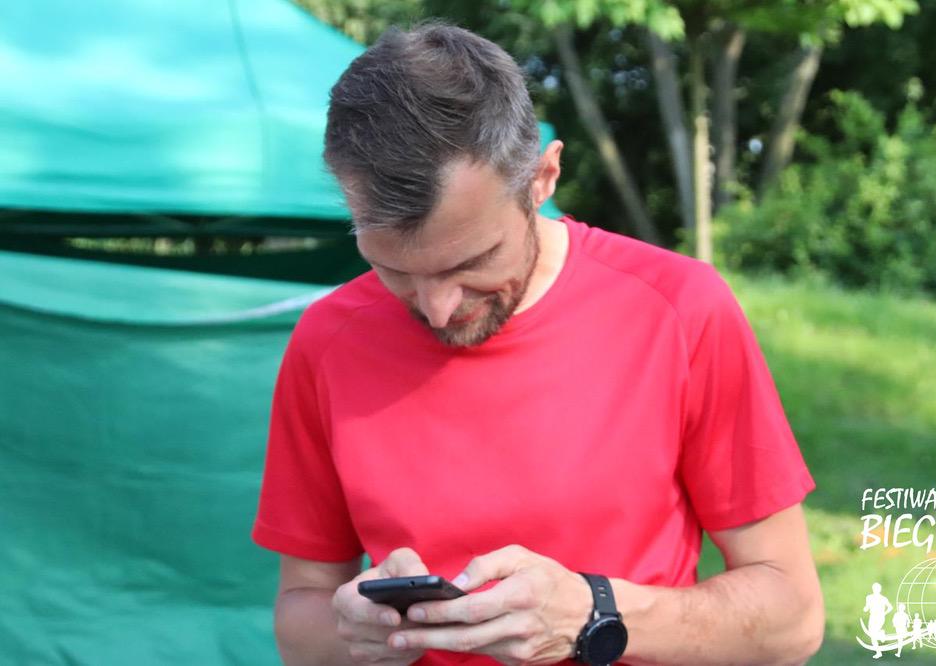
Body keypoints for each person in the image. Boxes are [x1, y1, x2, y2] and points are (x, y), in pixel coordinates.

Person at [252, 21, 824, 666]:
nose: (438, 308)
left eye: (472, 262)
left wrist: (594, 613)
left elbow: (792, 619)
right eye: (394, 270)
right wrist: (356, 630)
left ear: (542, 178)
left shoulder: (678, 309)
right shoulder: (328, 340)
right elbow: (300, 623)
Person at [863, 582, 894, 659]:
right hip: (872, 616)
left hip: (879, 617)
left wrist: (884, 613)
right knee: (872, 635)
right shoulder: (869, 597)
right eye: (875, 588)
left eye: (877, 588)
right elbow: (867, 607)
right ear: (873, 589)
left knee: (873, 634)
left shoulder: (883, 598)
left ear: (880, 589)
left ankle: (881, 634)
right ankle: (878, 651)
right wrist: (865, 609)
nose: (876, 590)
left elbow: (890, 607)